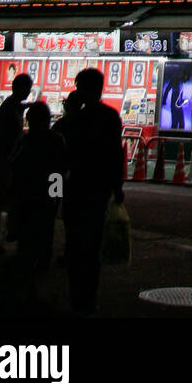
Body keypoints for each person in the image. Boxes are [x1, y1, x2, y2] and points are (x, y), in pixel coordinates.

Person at [57, 68, 124, 316]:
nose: (76, 90)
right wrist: (117, 187)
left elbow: (64, 153)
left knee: (76, 242)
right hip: (98, 188)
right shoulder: (110, 116)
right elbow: (116, 154)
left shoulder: (78, 119)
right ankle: (88, 297)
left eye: (79, 86)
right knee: (92, 243)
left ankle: (79, 297)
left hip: (79, 186)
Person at [8, 101, 67, 278]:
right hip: (45, 193)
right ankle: (40, 262)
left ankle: (27, 262)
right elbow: (61, 167)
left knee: (27, 229)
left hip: (28, 193)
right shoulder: (55, 140)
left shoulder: (25, 141)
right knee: (45, 228)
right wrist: (56, 195)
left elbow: (15, 167)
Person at [0, 72, 34, 253]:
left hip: (6, 159)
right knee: (1, 199)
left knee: (4, 199)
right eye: (27, 89)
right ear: (20, 88)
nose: (28, 93)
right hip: (6, 160)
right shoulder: (11, 107)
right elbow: (8, 135)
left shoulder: (11, 105)